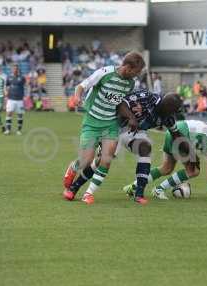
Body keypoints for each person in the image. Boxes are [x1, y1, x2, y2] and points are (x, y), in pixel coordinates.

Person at [64, 89, 185, 204]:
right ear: (168, 107)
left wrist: (189, 152)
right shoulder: (146, 97)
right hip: (115, 127)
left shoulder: (168, 117)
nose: (174, 114)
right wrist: (131, 117)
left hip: (135, 132)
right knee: (103, 160)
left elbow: (176, 135)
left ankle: (139, 194)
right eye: (174, 111)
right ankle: (75, 187)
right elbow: (121, 103)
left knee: (145, 148)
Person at [62, 52, 145, 205]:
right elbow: (81, 86)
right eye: (136, 71)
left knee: (106, 160)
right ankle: (73, 167)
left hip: (110, 124)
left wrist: (131, 117)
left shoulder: (130, 83)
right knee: (85, 161)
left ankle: (88, 194)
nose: (137, 75)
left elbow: (119, 103)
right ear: (128, 67)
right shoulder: (105, 73)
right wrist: (77, 97)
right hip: (92, 121)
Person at [124, 120, 207, 200]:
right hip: (182, 134)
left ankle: (132, 187)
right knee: (193, 171)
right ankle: (158, 190)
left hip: (175, 129)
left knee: (166, 168)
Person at [4, 65, 26, 135]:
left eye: (16, 69)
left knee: (20, 115)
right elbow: (6, 86)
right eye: (14, 69)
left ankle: (19, 130)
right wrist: (6, 92)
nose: (15, 70)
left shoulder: (22, 78)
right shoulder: (9, 77)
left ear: (18, 70)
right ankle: (8, 130)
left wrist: (26, 95)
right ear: (12, 70)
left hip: (19, 99)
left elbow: (25, 85)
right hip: (11, 99)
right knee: (9, 113)